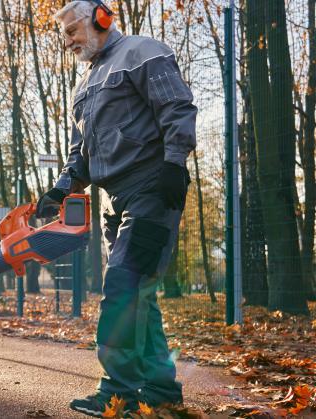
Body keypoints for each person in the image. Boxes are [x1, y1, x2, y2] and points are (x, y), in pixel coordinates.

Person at [37, 1, 196, 417]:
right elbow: (82, 152)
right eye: (64, 34)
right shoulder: (85, 84)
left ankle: (119, 391)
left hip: (152, 188)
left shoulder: (143, 52)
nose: (67, 41)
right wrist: (60, 190)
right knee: (140, 290)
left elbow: (177, 107)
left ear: (101, 19)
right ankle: (160, 387)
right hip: (113, 198)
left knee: (123, 286)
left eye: (72, 31)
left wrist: (175, 165)